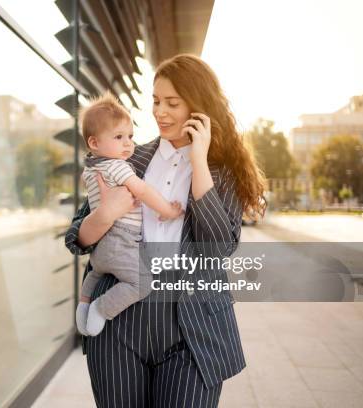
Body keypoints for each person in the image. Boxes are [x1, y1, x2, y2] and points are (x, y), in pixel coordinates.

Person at [65, 54, 266, 407]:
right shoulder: (128, 159)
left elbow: (219, 248)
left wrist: (199, 162)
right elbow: (78, 239)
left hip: (194, 328)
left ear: (199, 106)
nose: (160, 112)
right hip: (119, 320)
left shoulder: (224, 171)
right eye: (156, 101)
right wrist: (107, 213)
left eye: (172, 103)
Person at [76, 92, 184, 337]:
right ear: (94, 143)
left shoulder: (92, 167)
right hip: (120, 241)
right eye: (119, 137)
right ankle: (100, 309)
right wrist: (168, 210)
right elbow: (142, 190)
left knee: (96, 272)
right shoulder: (117, 166)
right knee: (142, 283)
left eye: (130, 136)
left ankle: (83, 304)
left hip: (102, 248)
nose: (128, 144)